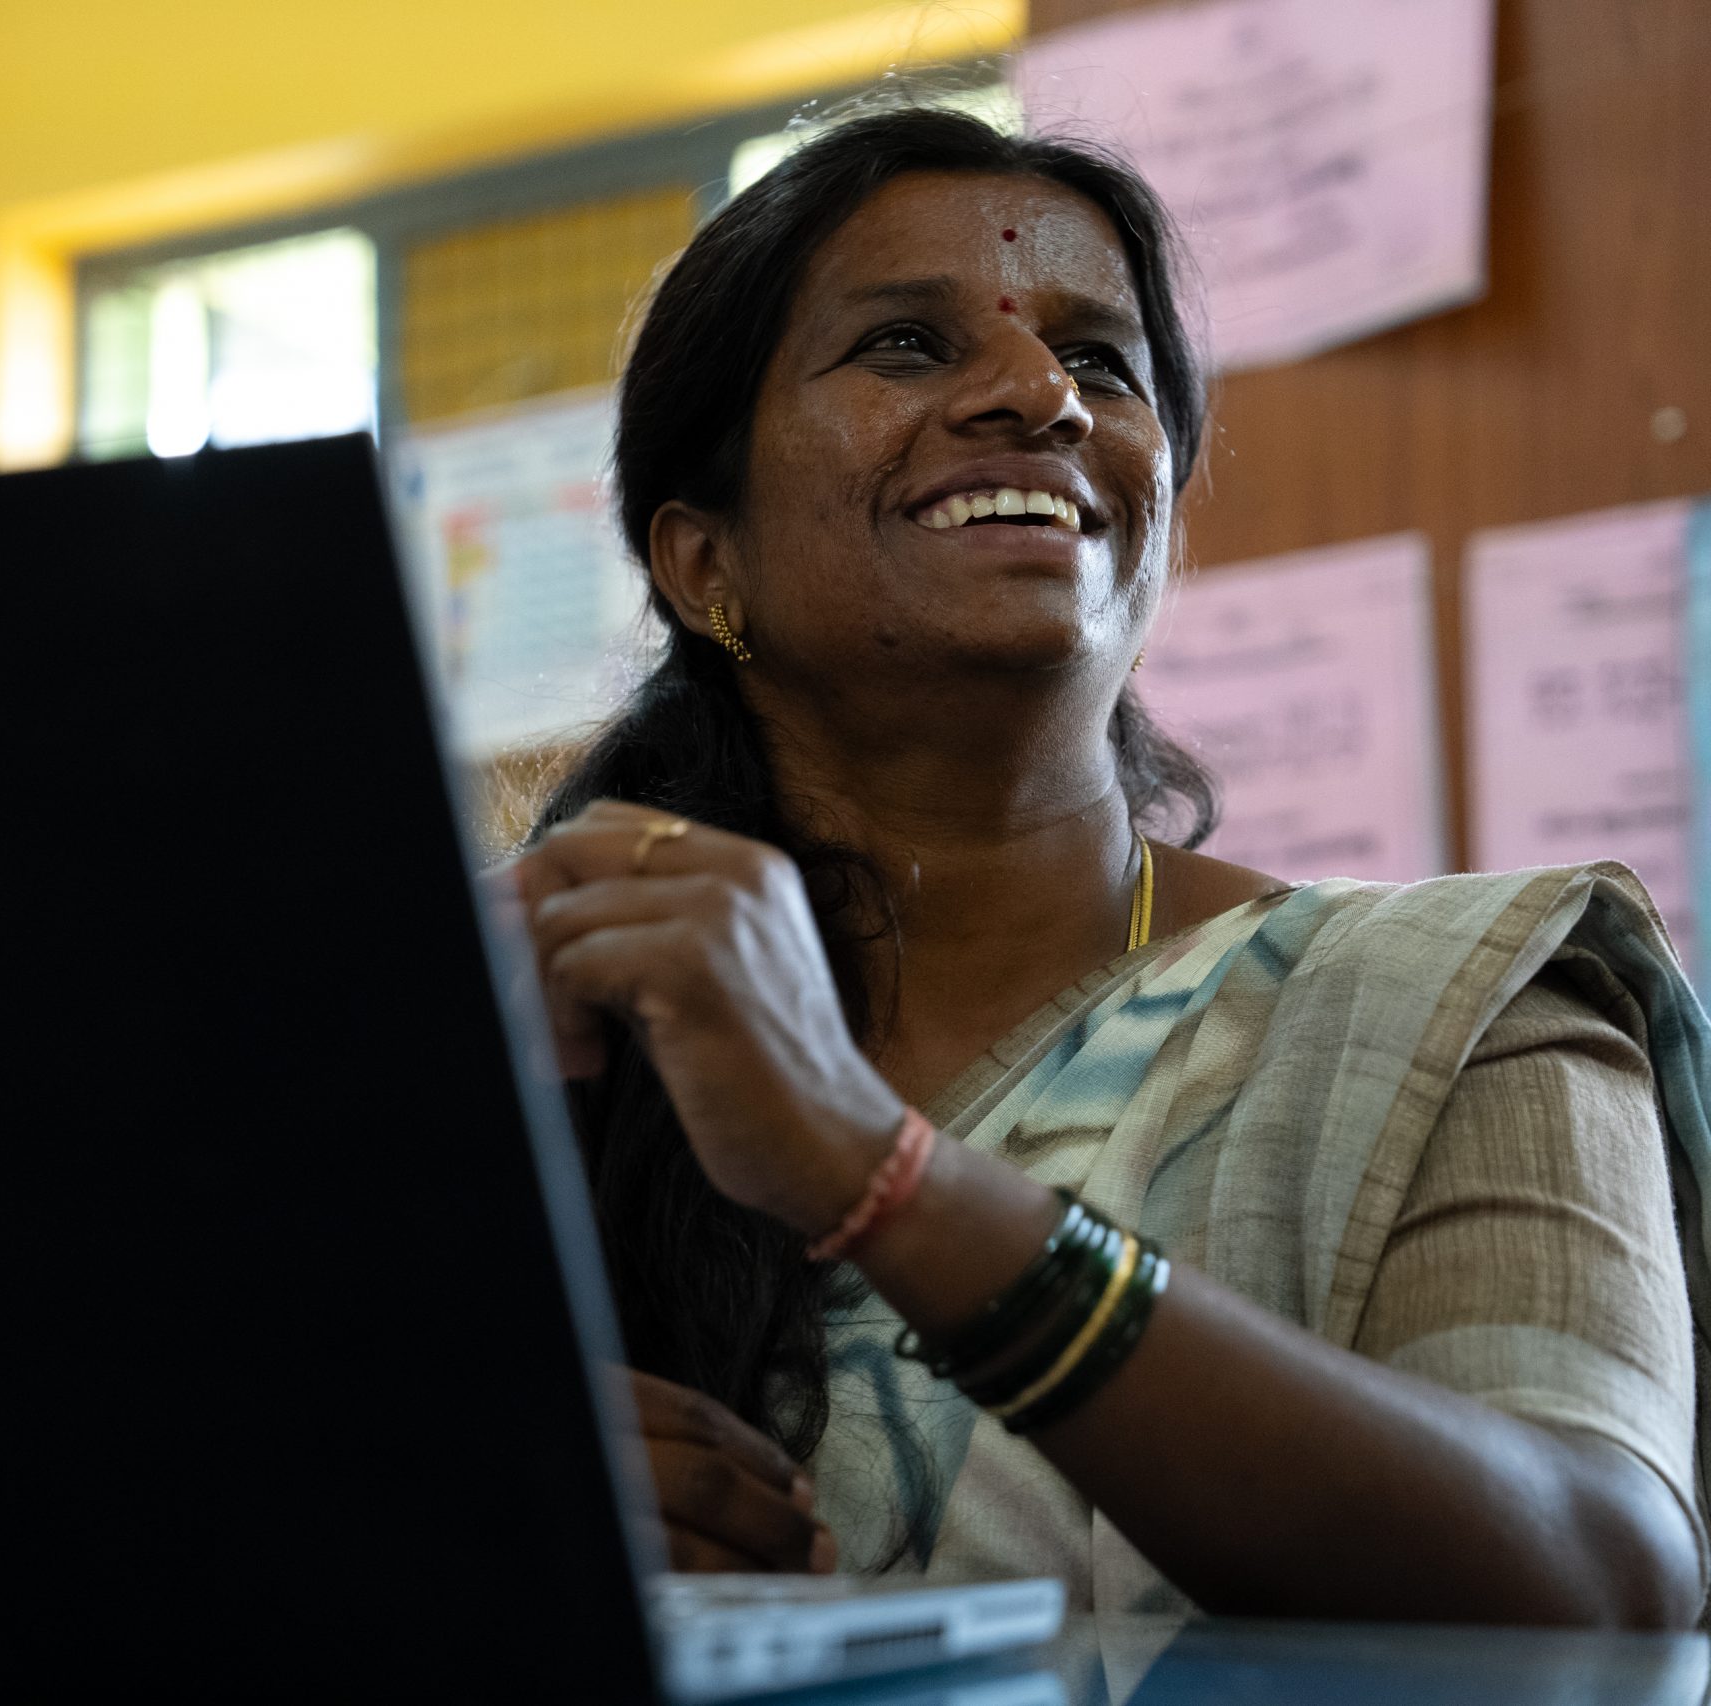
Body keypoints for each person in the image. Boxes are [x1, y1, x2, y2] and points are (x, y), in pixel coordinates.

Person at [503, 106, 1711, 1627]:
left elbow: (1604, 1584)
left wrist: (882, 1177)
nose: (1037, 396)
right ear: (702, 560)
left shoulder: (1454, 1008)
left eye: (1102, 362)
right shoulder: (552, 1033)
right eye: (904, 347)